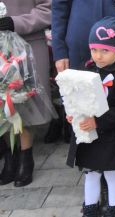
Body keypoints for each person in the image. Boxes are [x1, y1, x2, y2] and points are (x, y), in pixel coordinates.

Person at [51, 1, 115, 215]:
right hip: (80, 44)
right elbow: (59, 6)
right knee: (85, 111)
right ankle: (99, 192)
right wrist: (59, 48)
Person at [0, 0, 57, 187]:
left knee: (25, 102)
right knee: (3, 105)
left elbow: (48, 10)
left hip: (27, 45)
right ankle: (10, 157)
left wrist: (16, 22)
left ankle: (26, 157)